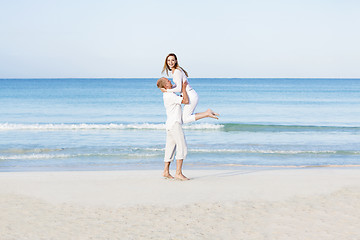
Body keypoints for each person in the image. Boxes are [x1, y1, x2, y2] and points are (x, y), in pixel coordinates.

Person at [157, 77, 219, 180]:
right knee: (182, 148)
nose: (170, 81)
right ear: (166, 86)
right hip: (175, 125)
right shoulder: (170, 96)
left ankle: (166, 171)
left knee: (170, 148)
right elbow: (185, 101)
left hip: (169, 125)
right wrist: (184, 88)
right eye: (168, 81)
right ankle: (178, 173)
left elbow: (165, 90)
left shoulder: (167, 94)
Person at [161, 53, 219, 122]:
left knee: (185, 119)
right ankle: (207, 113)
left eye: (172, 60)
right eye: (168, 60)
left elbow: (179, 88)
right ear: (166, 62)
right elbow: (178, 86)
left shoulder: (177, 71)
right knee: (186, 117)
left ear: (176, 61)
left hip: (190, 96)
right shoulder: (175, 71)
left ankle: (207, 113)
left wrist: (167, 91)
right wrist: (169, 89)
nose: (170, 62)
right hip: (190, 95)